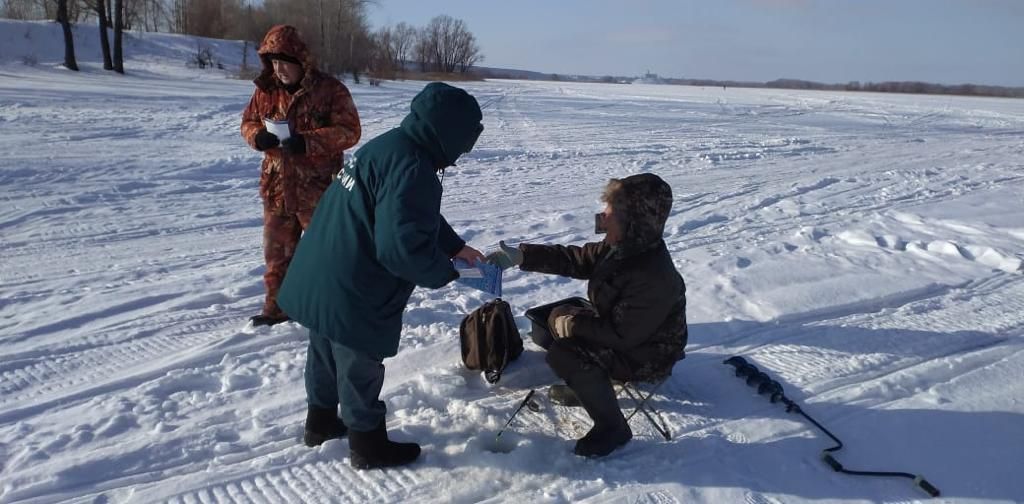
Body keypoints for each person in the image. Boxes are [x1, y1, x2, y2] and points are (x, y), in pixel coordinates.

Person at [276, 82, 486, 469]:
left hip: (321, 267)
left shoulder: (391, 145)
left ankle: (320, 422)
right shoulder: (415, 167)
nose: (461, 154)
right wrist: (447, 271)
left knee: (323, 347)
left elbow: (410, 213)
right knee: (359, 362)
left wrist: (453, 245)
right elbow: (399, 247)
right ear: (451, 134)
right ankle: (368, 445)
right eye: (463, 143)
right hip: (354, 283)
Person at [488, 173, 688, 458]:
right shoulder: (620, 245)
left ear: (632, 221)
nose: (602, 215)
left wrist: (576, 323)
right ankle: (591, 388)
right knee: (549, 323)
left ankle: (613, 427)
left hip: (648, 354)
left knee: (564, 352)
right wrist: (523, 257)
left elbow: (623, 336)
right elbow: (577, 259)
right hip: (625, 331)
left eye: (611, 210)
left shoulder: (653, 276)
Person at [240, 24, 361, 327]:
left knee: (328, 254)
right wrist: (257, 137)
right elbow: (248, 122)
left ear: (300, 60)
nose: (279, 69)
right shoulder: (265, 91)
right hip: (277, 188)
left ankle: (334, 308)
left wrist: (308, 142)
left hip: (317, 190)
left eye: (284, 62)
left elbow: (350, 131)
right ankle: (277, 309)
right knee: (277, 256)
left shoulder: (330, 90)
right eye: (273, 62)